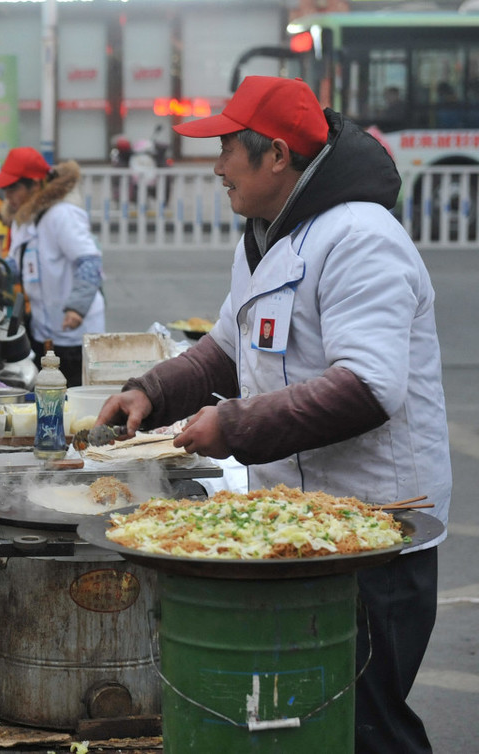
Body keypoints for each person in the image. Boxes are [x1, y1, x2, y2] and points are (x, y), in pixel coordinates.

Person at [96, 76, 450, 753]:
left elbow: (369, 387)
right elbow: (228, 351)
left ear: (278, 156)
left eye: (230, 147)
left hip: (371, 535)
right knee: (305, 717)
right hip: (296, 528)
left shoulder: (359, 239)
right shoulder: (263, 239)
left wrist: (234, 428)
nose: (217, 165)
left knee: (366, 725)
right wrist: (151, 390)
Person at [0, 146, 105, 386]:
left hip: (76, 335)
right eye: (5, 188)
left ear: (35, 185)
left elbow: (89, 262)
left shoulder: (62, 215)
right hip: (43, 331)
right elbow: (18, 265)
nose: (7, 195)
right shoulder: (23, 219)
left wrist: (76, 308)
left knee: (73, 403)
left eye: (13, 188)